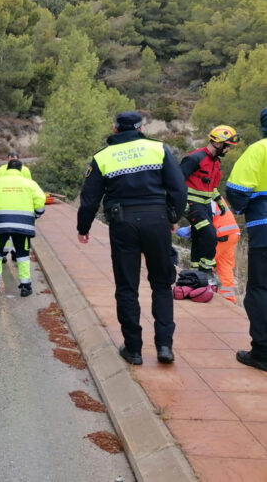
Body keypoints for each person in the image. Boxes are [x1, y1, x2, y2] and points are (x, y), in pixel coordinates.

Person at [77, 111, 187, 365]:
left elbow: (89, 198)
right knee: (161, 283)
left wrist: (83, 228)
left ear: (115, 128)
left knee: (127, 286)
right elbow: (179, 188)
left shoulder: (102, 156)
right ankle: (164, 347)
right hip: (157, 220)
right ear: (140, 128)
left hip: (123, 224)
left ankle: (133, 349)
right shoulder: (158, 149)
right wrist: (172, 216)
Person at [225, 107, 267, 371]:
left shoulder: (260, 149)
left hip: (265, 229)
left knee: (260, 289)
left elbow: (237, 190)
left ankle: (262, 353)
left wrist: (242, 208)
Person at [180, 125, 240, 281]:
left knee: (199, 236)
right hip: (192, 205)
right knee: (209, 234)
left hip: (206, 206)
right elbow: (176, 183)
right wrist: (182, 205)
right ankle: (206, 272)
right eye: (227, 146)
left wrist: (219, 201)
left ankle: (194, 272)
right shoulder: (194, 158)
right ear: (219, 143)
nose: (228, 150)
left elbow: (211, 187)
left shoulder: (216, 162)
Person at [0, 159, 46, 297]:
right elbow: (40, 202)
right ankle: (25, 286)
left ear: (7, 168)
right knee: (22, 255)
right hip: (23, 225)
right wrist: (36, 215)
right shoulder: (30, 184)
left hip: (1, 224)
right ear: (20, 170)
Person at [176, 198, 240, 303]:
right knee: (225, 266)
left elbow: (207, 219)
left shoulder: (206, 195)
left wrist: (189, 229)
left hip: (220, 234)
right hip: (232, 233)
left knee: (204, 263)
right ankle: (228, 299)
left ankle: (200, 292)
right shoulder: (213, 193)